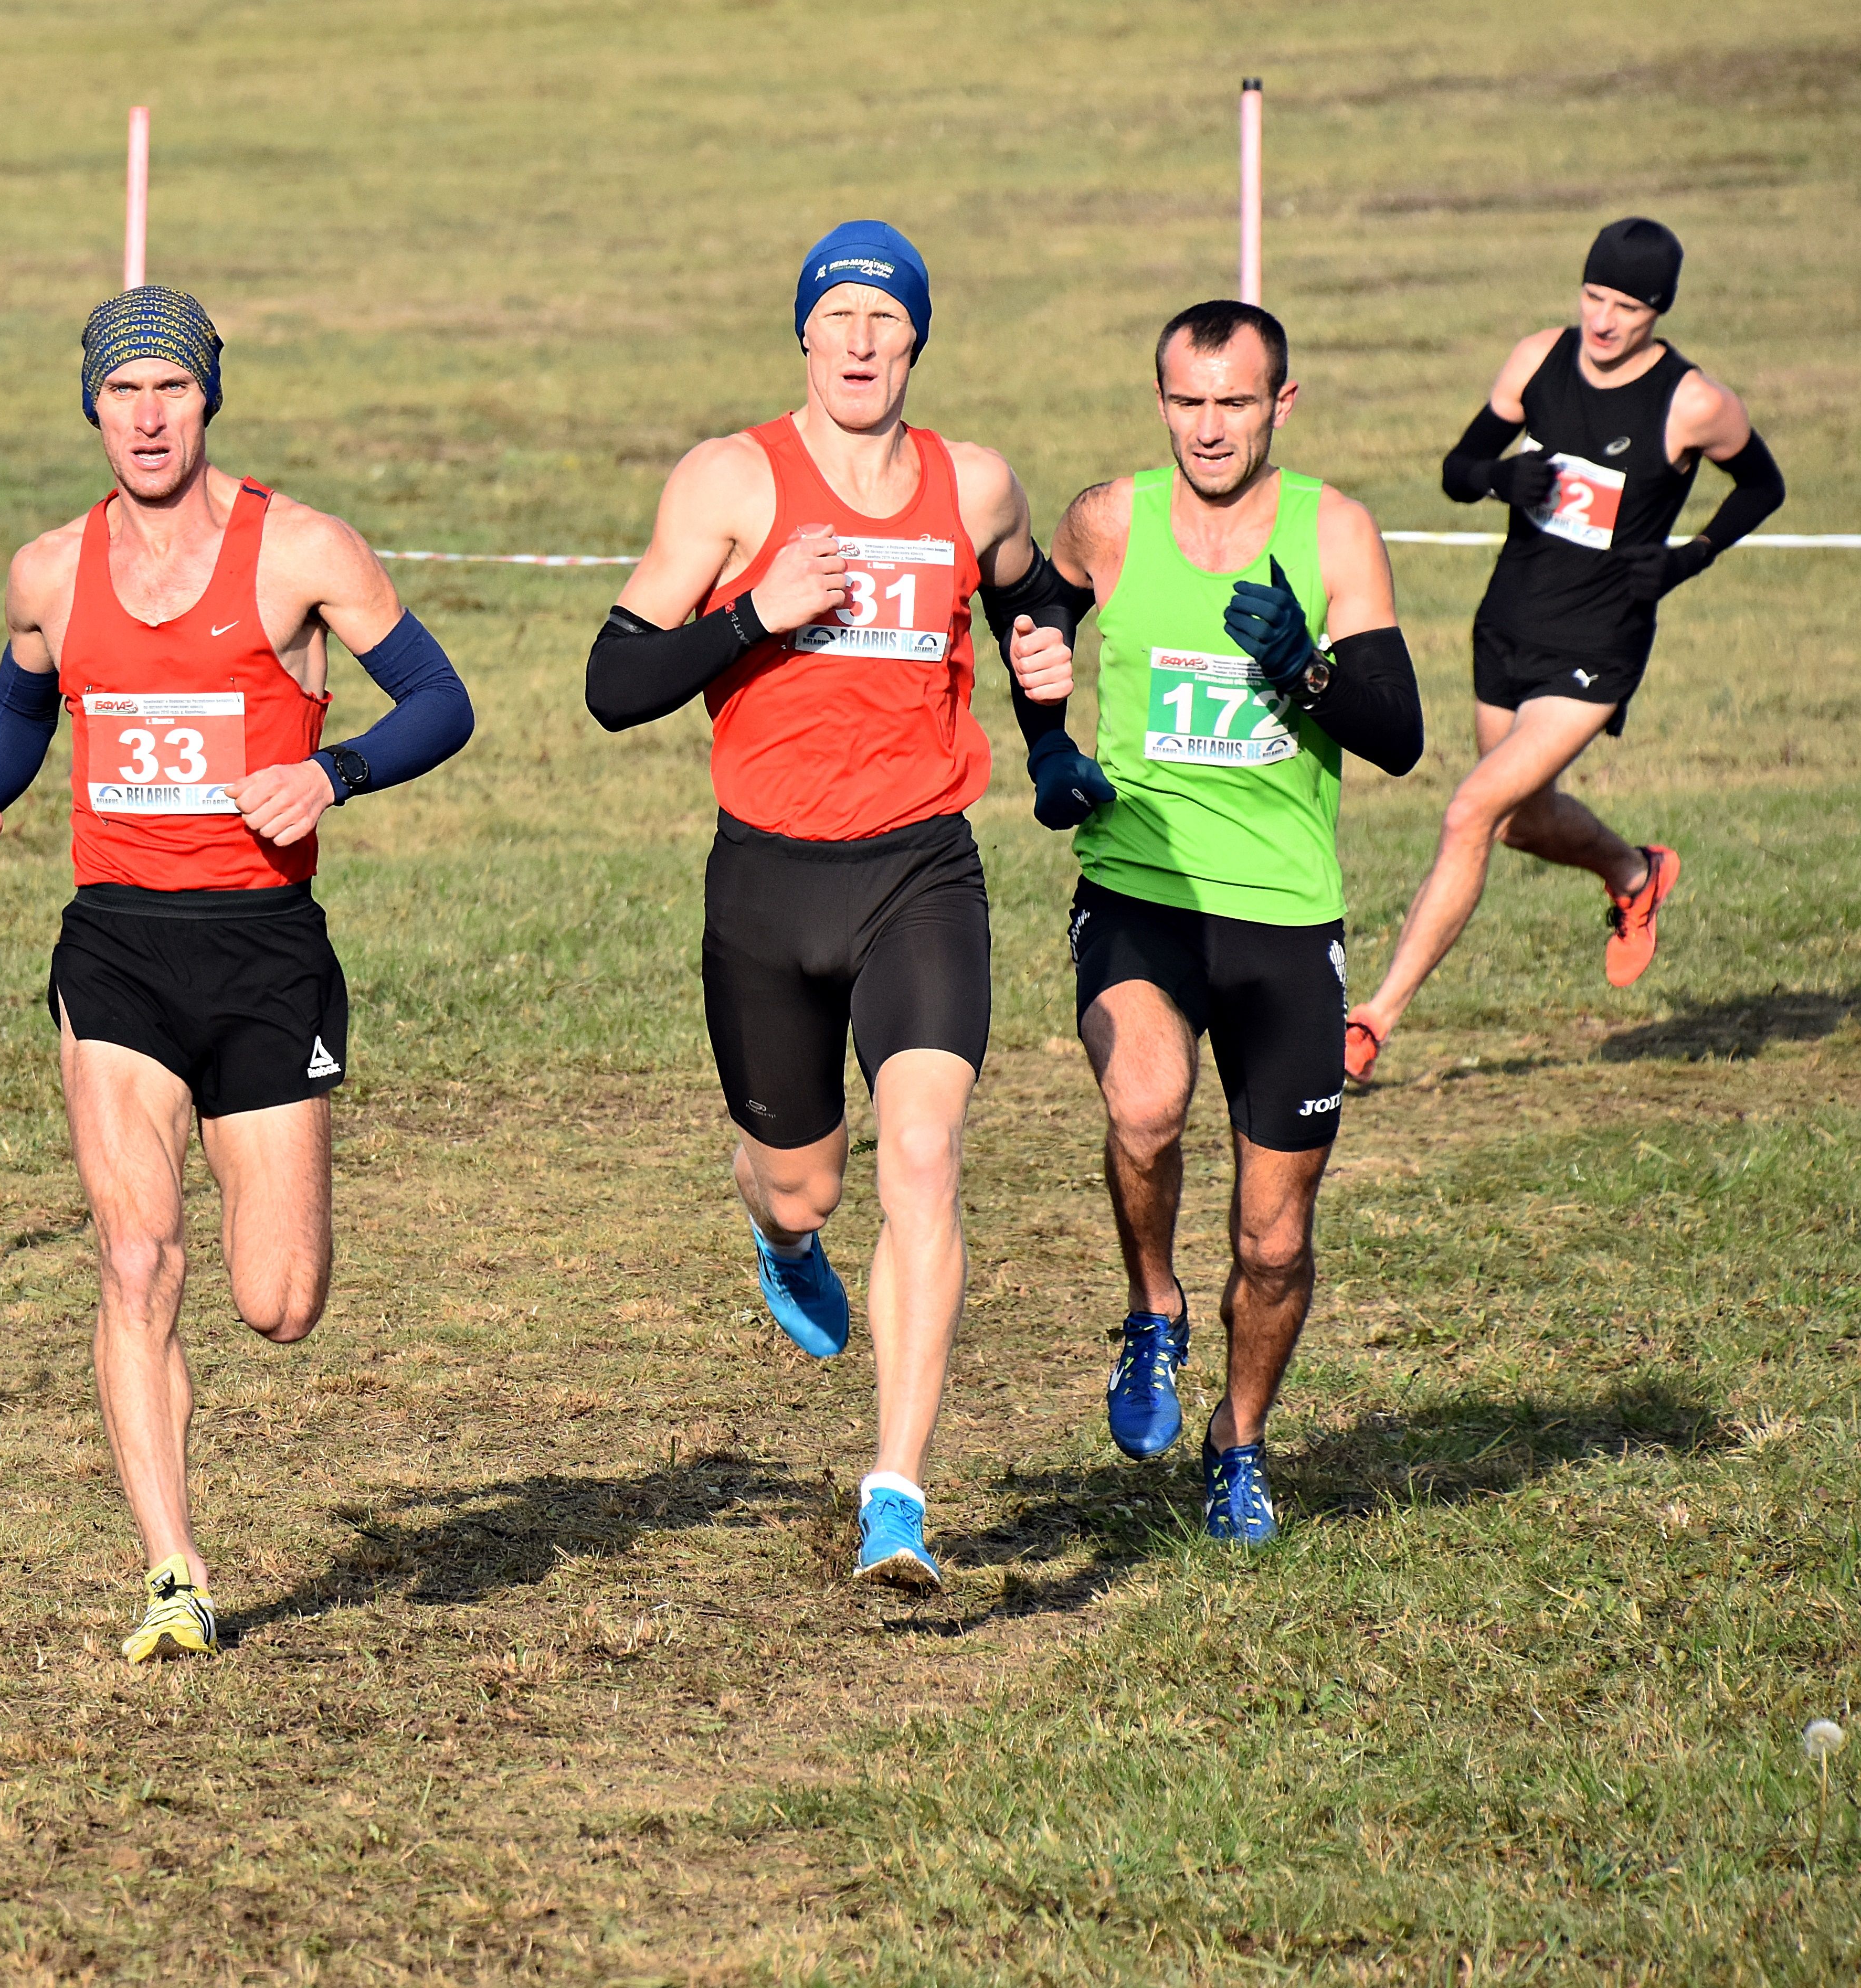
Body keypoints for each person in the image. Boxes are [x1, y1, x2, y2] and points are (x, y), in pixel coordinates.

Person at [0, 286, 474, 1664]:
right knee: (134, 1254)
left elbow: (441, 701)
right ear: (93, 411)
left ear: (208, 397)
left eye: (171, 389)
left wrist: (332, 771)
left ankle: (283, 1225)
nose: (149, 417)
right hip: (116, 944)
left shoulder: (300, 550)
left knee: (277, 1302)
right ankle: (173, 1570)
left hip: (265, 952)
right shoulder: (50, 569)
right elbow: (24, 695)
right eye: (124, 394)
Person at [585, 221, 1061, 1593]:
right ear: (804, 335)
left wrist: (1056, 736)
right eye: (837, 317)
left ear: (919, 338)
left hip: (921, 869)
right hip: (768, 881)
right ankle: (781, 1231)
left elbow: (1034, 607)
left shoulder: (973, 486)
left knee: (926, 1160)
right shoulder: (733, 482)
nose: (861, 343)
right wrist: (756, 616)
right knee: (810, 1176)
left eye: (886, 319)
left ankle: (897, 1498)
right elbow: (614, 685)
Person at [1006, 299, 1425, 1543]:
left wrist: (1306, 664)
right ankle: (1152, 1309)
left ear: (1279, 406)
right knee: (1142, 1105)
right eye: (1186, 401)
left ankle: (1238, 1442)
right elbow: (1028, 617)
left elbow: (1398, 734)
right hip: (1139, 884)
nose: (1207, 426)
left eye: (1233, 401)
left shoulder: (1333, 531)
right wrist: (1048, 753)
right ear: (1162, 402)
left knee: (1277, 1237)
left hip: (1287, 917)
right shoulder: (1110, 519)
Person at [1345, 219, 1785, 1080]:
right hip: (1506, 623)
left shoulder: (1694, 402)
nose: (1605, 320)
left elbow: (1764, 486)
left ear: (1658, 311)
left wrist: (1690, 557)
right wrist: (1499, 477)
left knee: (1468, 811)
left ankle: (1371, 1022)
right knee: (1515, 823)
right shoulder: (1537, 359)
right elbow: (1457, 467)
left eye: (1627, 306)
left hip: (1598, 643)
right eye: (1594, 297)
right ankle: (1634, 869)